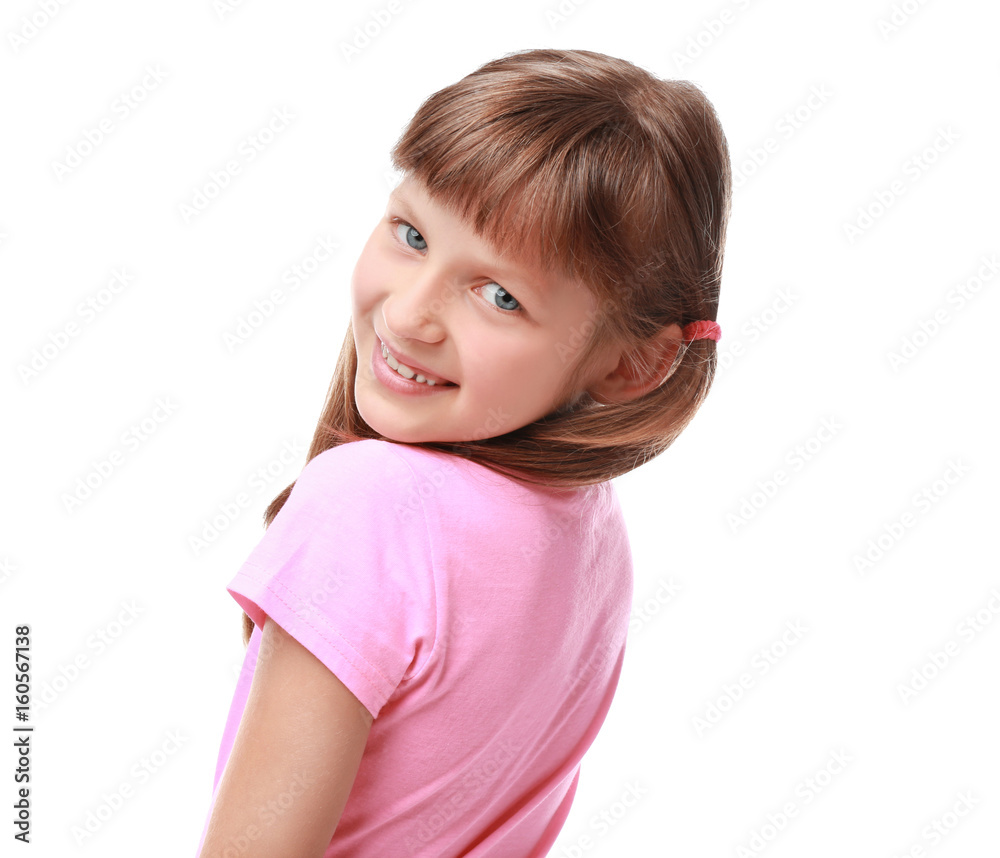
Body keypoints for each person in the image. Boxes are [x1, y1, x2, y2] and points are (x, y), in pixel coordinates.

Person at [196, 47, 731, 858]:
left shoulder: (370, 501)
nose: (408, 315)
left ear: (631, 363)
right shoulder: (590, 530)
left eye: (500, 295)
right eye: (412, 234)